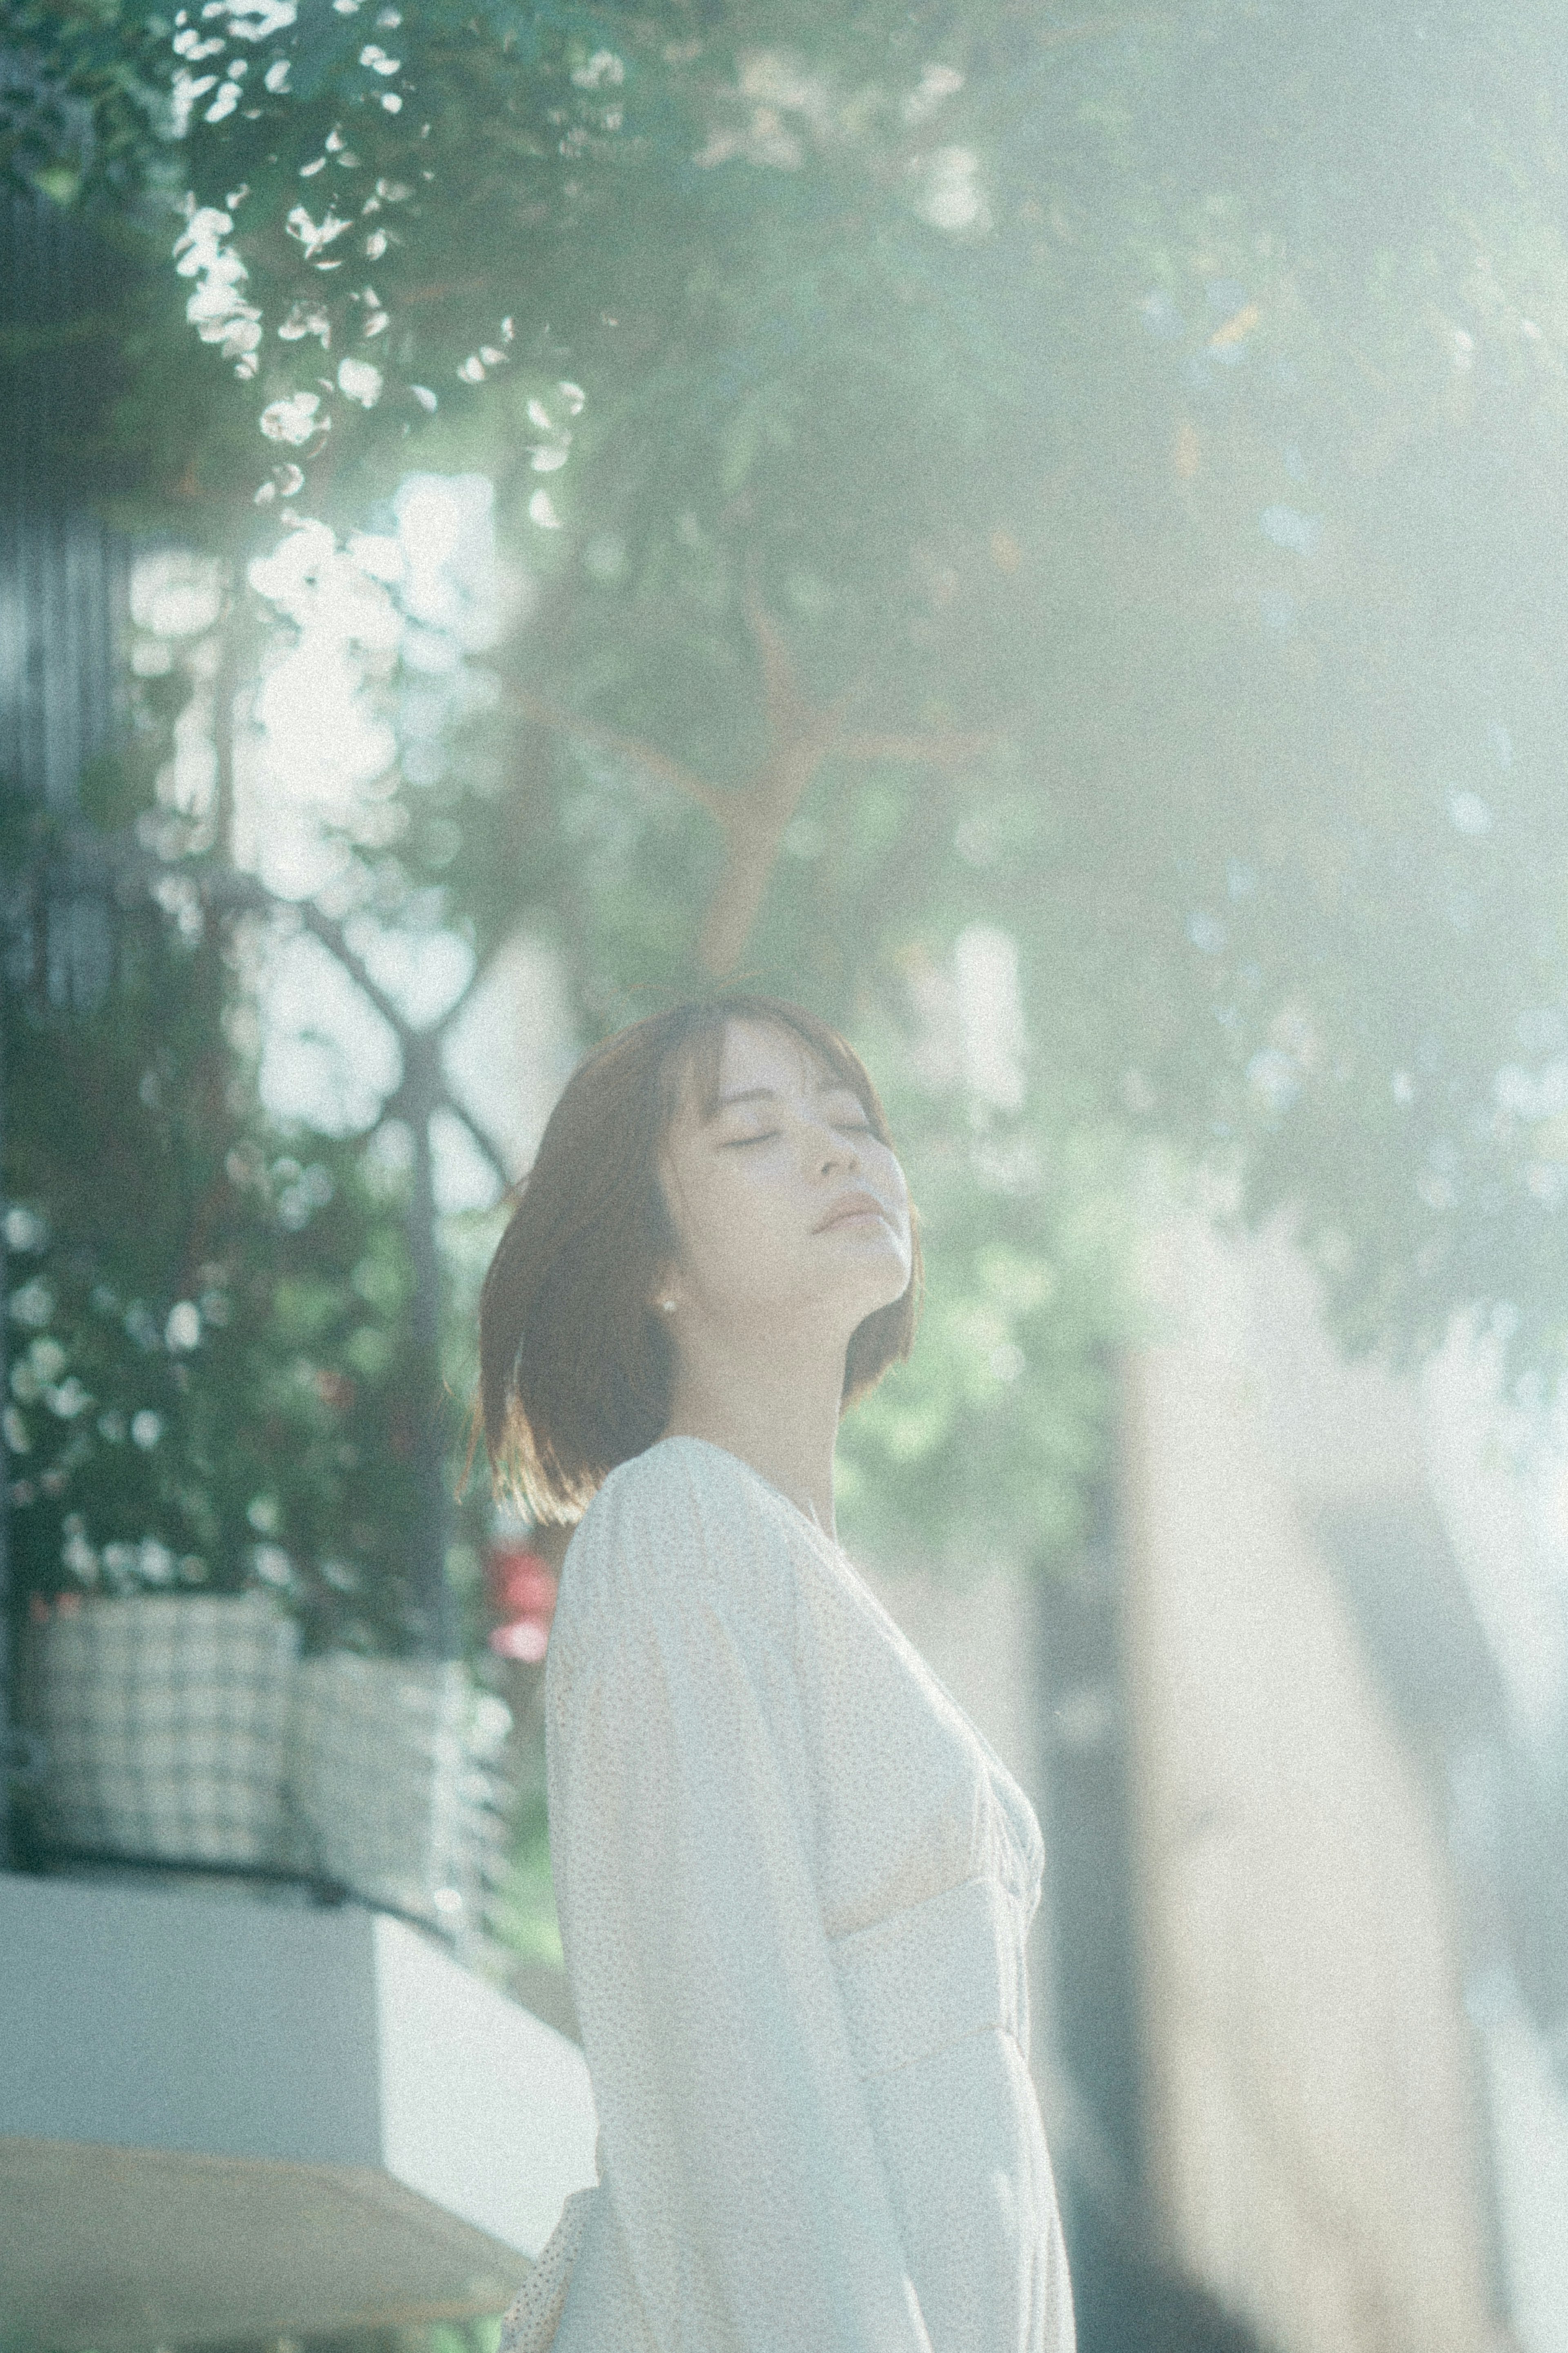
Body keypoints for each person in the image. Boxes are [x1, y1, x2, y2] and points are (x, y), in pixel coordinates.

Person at [479, 993, 1075, 2353]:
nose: (837, 1154)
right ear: (653, 1266)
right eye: (755, 1133)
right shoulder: (677, 1523)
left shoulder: (801, 1582)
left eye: (855, 1123)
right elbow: (743, 2092)